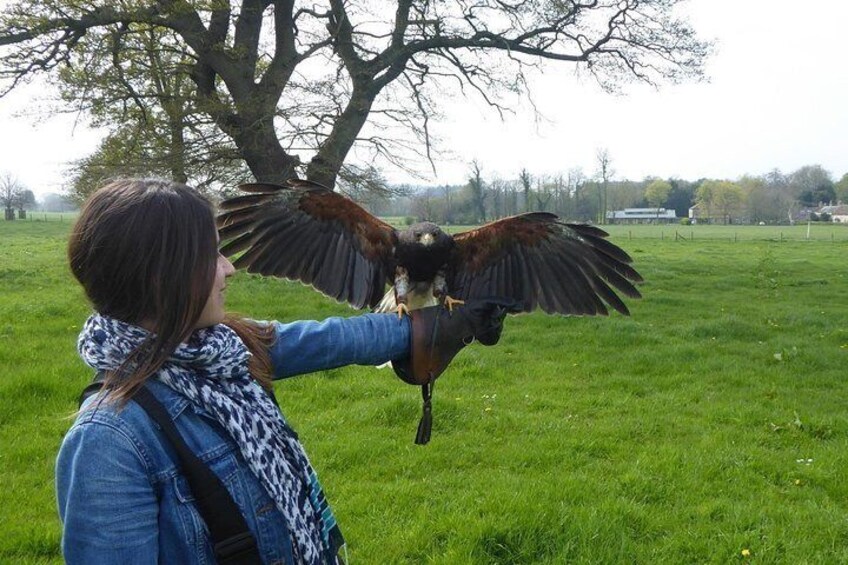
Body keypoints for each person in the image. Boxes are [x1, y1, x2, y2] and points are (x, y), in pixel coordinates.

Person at [56, 178, 512, 564]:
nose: (229, 268)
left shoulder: (226, 349)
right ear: (162, 275)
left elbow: (331, 339)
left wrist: (434, 325)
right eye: (211, 257)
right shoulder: (108, 441)